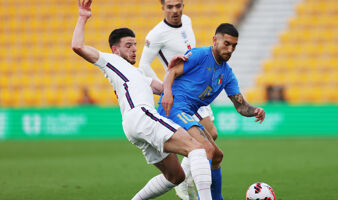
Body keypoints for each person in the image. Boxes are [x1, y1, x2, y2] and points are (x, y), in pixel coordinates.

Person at [71, 0, 213, 199]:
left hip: (134, 125)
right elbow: (77, 46)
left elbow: (163, 88)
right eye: (128, 45)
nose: (134, 49)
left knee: (176, 176)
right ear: (115, 50)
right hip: (142, 115)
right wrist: (83, 17)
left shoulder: (137, 74)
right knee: (196, 148)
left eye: (135, 45)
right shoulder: (110, 61)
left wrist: (172, 70)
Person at [158, 23, 266, 200]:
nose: (230, 49)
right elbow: (171, 71)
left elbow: (240, 106)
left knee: (216, 156)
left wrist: (255, 111)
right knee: (206, 149)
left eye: (234, 46)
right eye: (226, 43)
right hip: (174, 107)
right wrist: (167, 93)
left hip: (187, 113)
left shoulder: (227, 74)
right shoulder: (200, 55)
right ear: (215, 40)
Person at [138, 1, 219, 199]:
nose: (175, 11)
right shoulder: (156, 34)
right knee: (206, 143)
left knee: (212, 135)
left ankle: (187, 179)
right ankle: (186, 185)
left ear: (183, 5)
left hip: (196, 89)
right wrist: (166, 89)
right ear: (162, 8)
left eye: (178, 6)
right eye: (170, 7)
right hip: (180, 93)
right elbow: (143, 65)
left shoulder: (188, 21)